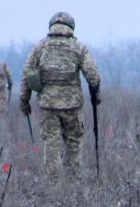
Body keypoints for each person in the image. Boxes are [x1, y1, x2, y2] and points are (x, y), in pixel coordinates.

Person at [19, 12, 101, 182]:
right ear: (71, 27)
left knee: (51, 147)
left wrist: (24, 102)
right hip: (73, 106)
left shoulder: (40, 47)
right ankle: (74, 187)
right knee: (74, 145)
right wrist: (96, 96)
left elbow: (27, 75)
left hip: (48, 107)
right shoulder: (79, 48)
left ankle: (54, 187)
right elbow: (93, 76)